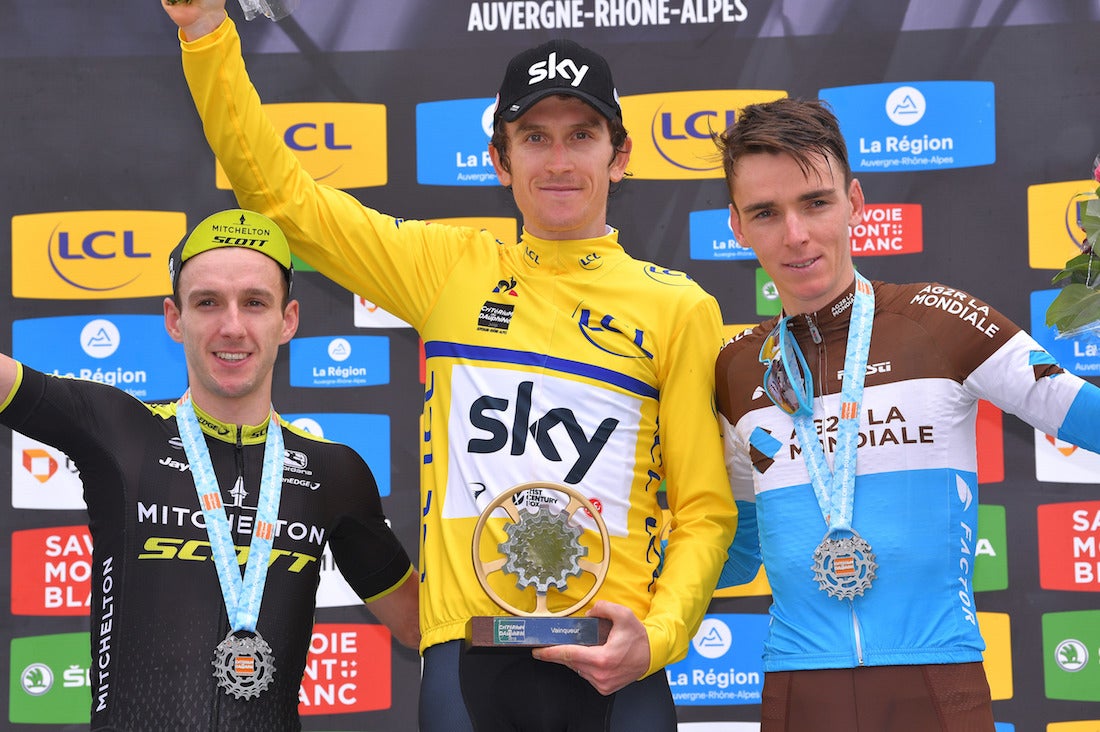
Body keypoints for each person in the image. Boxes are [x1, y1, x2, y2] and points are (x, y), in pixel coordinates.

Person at [160, 3, 738, 730]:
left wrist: (659, 636)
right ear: (500, 159)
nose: (558, 161)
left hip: (612, 661)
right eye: (534, 138)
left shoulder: (678, 306)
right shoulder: (449, 268)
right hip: (471, 661)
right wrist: (204, 33)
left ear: (618, 156)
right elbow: (282, 197)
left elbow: (705, 510)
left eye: (581, 136)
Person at [712, 97, 1100, 731]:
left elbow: (1082, 414)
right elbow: (737, 552)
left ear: (856, 202)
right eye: (765, 212)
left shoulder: (941, 321)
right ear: (737, 226)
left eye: (816, 202)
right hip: (798, 689)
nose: (796, 234)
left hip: (936, 682)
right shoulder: (734, 368)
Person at [0, 208, 419, 731]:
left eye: (254, 302)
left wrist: (541, 619)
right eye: (207, 303)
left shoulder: (333, 472)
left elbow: (418, 624)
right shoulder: (117, 430)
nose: (232, 326)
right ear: (175, 319)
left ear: (287, 320)